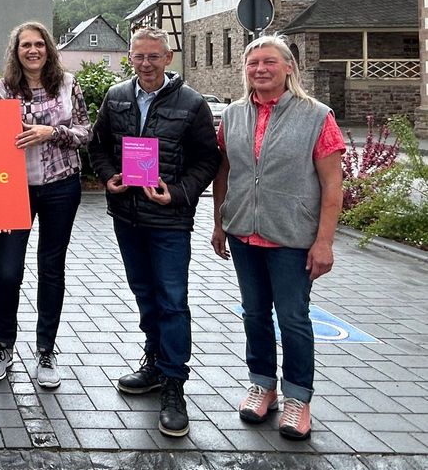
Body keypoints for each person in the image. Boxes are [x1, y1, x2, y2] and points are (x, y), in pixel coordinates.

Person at [86, 26, 219, 437]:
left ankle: (175, 383)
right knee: (146, 296)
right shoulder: (117, 96)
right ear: (130, 57)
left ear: (168, 58)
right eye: (139, 57)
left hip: (169, 221)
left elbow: (207, 161)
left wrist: (177, 193)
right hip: (128, 217)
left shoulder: (192, 103)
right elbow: (98, 146)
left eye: (154, 57)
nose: (146, 64)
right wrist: (109, 176)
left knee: (173, 301)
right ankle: (154, 363)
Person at [211, 35, 344, 441]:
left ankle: (298, 399)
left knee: (293, 319)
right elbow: (225, 173)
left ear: (289, 68)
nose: (260, 69)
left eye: (269, 62)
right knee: (253, 314)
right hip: (243, 233)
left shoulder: (316, 116)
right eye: (252, 64)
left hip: (292, 236)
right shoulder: (232, 115)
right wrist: (220, 222)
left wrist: (324, 242)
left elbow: (332, 186)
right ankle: (262, 386)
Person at [0, 22, 90, 389]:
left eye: (39, 44)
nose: (32, 50)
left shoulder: (68, 84)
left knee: (51, 268)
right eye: (25, 45)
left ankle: (46, 349)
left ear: (49, 48)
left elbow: (85, 132)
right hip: (16, 189)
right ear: (16, 51)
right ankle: (3, 346)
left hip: (62, 186)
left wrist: (52, 132)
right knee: (8, 270)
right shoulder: (3, 89)